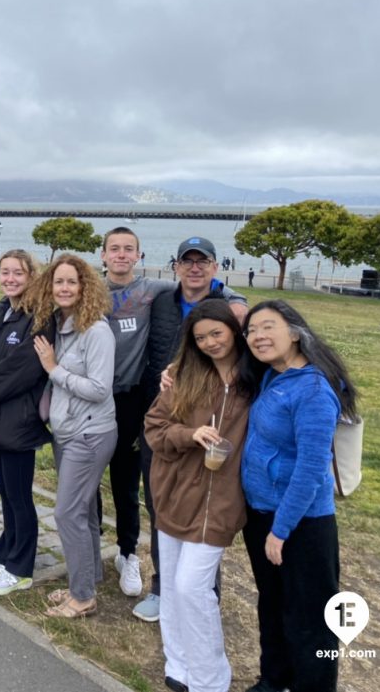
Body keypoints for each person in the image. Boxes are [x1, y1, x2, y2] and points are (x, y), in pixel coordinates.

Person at [240, 301, 356, 692]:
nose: (258, 336)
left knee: (311, 620)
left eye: (268, 326)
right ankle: (273, 681)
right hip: (262, 515)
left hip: (301, 525)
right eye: (252, 330)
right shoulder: (273, 376)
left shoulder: (313, 389)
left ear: (295, 332)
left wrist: (281, 530)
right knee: (272, 606)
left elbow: (311, 468)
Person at [134, 236, 248, 622]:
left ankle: (203, 592)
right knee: (160, 504)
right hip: (165, 416)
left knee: (206, 508)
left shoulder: (229, 307)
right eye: (188, 261)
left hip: (211, 424)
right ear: (176, 266)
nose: (195, 268)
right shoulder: (162, 300)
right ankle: (163, 587)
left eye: (203, 261)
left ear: (216, 267)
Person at [143, 300, 251, 692]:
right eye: (200, 337)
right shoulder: (183, 376)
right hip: (173, 492)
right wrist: (190, 435)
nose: (209, 343)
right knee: (171, 585)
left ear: (234, 332)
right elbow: (155, 428)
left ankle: (211, 680)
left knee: (192, 588)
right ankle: (179, 664)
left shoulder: (255, 379)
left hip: (221, 501)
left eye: (217, 333)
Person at [28, 254, 117, 618]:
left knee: (67, 514)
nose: (64, 288)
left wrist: (54, 368)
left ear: (85, 288)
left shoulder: (96, 331)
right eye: (58, 282)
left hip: (89, 433)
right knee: (83, 513)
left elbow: (98, 388)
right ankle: (88, 576)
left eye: (71, 282)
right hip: (67, 432)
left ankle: (83, 598)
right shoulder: (62, 324)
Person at [98, 227, 179, 598]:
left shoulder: (152, 290)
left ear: (139, 256)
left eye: (128, 249)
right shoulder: (89, 290)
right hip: (91, 398)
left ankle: (128, 553)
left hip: (130, 400)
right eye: (114, 248)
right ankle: (87, 543)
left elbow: (200, 289)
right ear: (103, 255)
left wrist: (236, 297)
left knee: (126, 482)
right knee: (86, 479)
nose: (121, 254)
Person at [0, 250, 52, 594]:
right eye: (5, 273)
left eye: (18, 273)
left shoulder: (38, 317)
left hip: (19, 419)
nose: (10, 279)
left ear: (31, 275)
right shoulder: (1, 310)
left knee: (19, 496)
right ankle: (5, 556)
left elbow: (21, 371)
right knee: (5, 493)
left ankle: (21, 568)